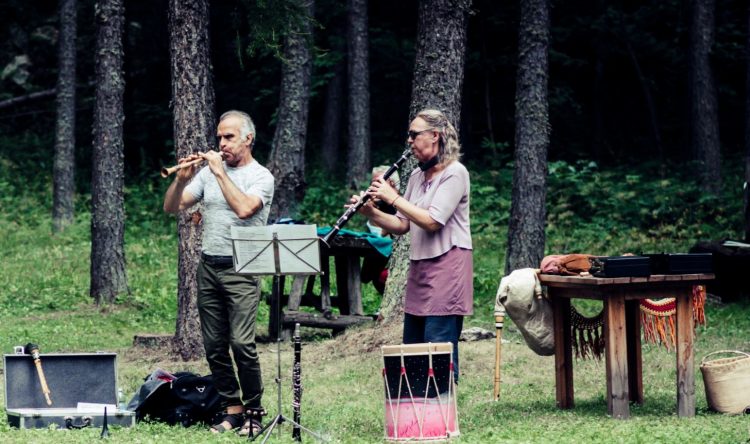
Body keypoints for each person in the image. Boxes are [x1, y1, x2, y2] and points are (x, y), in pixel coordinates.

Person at [163, 110, 274, 435]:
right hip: (209, 265)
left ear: (248, 139)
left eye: (229, 137)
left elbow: (243, 209)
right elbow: (172, 206)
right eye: (220, 137)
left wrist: (218, 172)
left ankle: (254, 410)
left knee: (241, 343)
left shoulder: (260, 176)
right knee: (213, 346)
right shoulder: (208, 174)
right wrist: (182, 178)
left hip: (243, 267)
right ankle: (232, 409)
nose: (221, 143)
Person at [351, 108, 472, 380]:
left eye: (414, 135)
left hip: (448, 263)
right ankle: (416, 412)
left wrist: (392, 198)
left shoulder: (455, 173)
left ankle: (441, 411)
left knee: (437, 341)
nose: (409, 141)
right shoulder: (417, 176)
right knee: (414, 340)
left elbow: (432, 221)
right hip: (421, 265)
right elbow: (403, 224)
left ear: (435, 136)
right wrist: (370, 212)